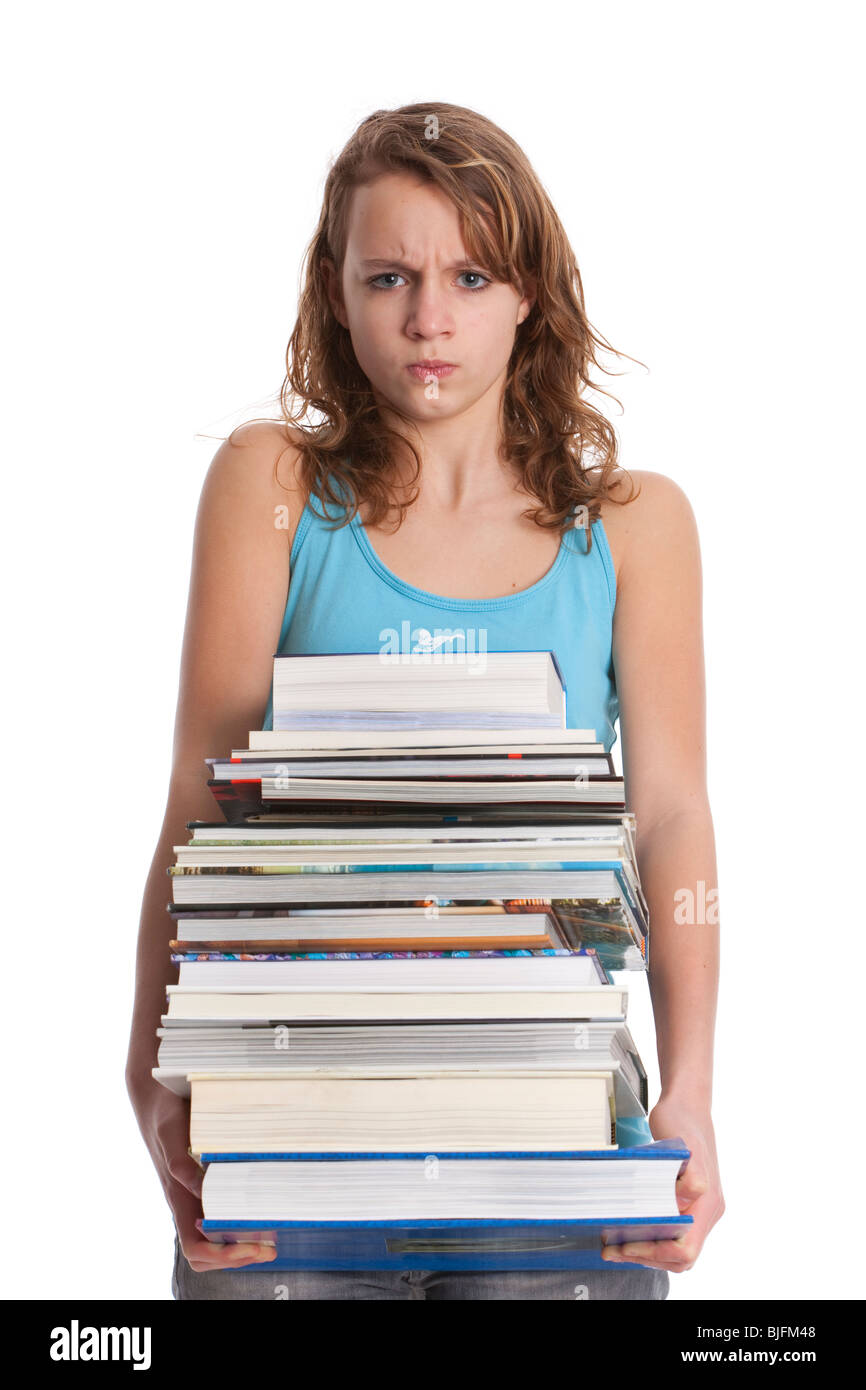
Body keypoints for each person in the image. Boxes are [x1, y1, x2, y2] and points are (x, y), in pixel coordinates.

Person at [125, 101, 724, 1301]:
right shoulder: (272, 487)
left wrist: (692, 1089)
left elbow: (668, 817)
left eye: (469, 274)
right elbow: (202, 798)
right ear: (336, 293)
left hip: (548, 1112)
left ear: (530, 295)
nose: (427, 317)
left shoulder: (633, 525)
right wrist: (151, 1074)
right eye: (388, 275)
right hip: (291, 1107)